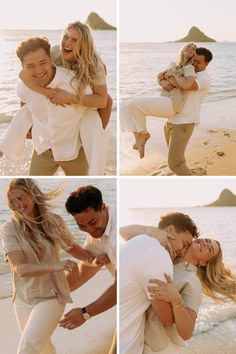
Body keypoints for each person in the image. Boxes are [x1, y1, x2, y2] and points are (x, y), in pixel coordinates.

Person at [0, 178, 108, 354]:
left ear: (33, 195)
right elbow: (20, 268)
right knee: (42, 348)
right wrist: (58, 265)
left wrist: (92, 260)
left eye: (20, 197)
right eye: (11, 200)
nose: (16, 204)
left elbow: (72, 247)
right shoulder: (9, 229)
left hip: (52, 297)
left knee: (28, 347)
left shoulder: (53, 221)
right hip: (23, 299)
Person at [0, 22, 112, 175]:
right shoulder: (54, 53)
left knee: (96, 116)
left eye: (74, 40)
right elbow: (25, 78)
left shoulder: (95, 65)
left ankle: (91, 149)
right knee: (28, 109)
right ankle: (4, 148)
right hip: (50, 122)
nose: (67, 42)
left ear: (84, 44)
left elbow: (103, 101)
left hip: (78, 101)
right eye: (66, 37)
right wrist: (46, 96)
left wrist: (69, 98)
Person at [120, 223, 236, 353]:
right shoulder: (168, 254)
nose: (206, 244)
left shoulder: (193, 281)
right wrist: (153, 232)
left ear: (203, 262)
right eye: (207, 241)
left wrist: (177, 301)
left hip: (161, 348)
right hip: (139, 338)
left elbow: (186, 333)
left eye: (210, 249)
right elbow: (123, 231)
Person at [121, 47, 213, 175]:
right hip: (170, 121)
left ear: (207, 64)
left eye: (199, 62)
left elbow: (184, 85)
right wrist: (162, 81)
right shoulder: (187, 68)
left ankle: (191, 184)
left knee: (174, 164)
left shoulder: (204, 78)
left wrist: (169, 78)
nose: (195, 64)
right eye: (194, 61)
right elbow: (162, 75)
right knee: (179, 159)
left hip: (184, 123)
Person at [119, 212, 199, 354]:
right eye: (185, 244)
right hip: (130, 342)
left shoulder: (139, 240)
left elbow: (123, 231)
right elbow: (167, 319)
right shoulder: (160, 257)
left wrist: (149, 231)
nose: (183, 251)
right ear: (170, 230)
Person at [59, 185, 117, 354]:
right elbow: (85, 269)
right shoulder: (97, 233)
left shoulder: (116, 238)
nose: (90, 230)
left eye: (93, 222)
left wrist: (85, 313)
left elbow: (122, 286)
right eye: (82, 226)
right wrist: (54, 291)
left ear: (103, 207)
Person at [123, 43, 197, 158]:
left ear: (194, 55)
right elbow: (159, 76)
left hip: (173, 103)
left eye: (193, 49)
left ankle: (143, 134)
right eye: (189, 47)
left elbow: (186, 85)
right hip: (164, 99)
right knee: (125, 107)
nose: (191, 49)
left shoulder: (189, 68)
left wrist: (174, 76)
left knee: (134, 104)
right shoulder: (173, 64)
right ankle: (139, 136)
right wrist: (162, 81)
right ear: (182, 49)